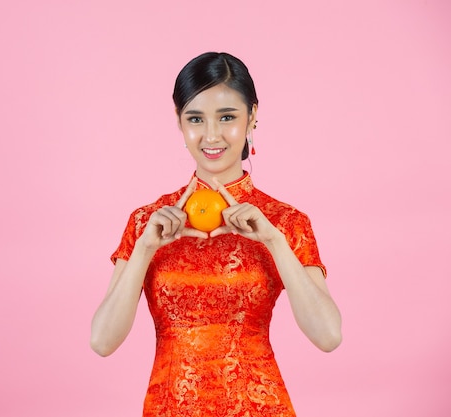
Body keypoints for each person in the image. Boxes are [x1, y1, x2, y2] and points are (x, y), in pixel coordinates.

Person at [90, 52, 342, 417]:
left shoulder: (284, 222)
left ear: (252, 116)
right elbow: (102, 341)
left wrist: (274, 242)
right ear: (179, 122)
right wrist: (144, 249)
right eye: (195, 118)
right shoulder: (148, 222)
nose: (211, 135)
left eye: (227, 117)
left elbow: (328, 336)